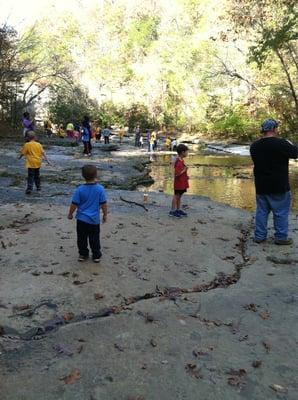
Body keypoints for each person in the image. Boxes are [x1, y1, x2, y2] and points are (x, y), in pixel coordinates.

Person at [250, 118, 298, 245]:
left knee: (261, 211)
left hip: (261, 185)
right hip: (279, 185)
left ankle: (259, 236)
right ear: (275, 129)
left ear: (263, 130)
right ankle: (281, 238)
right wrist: (290, 144)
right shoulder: (281, 143)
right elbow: (295, 153)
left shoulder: (254, 146)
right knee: (281, 212)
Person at [67, 164, 108, 263]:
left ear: (83, 176)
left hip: (81, 219)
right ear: (96, 175)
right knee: (94, 238)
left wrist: (70, 213)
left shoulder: (79, 189)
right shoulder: (100, 189)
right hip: (94, 220)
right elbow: (103, 204)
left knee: (81, 238)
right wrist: (105, 214)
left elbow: (74, 204)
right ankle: (96, 255)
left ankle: (83, 254)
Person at [169, 144, 189, 218]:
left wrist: (186, 176)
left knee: (179, 196)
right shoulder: (178, 162)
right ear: (182, 152)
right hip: (178, 182)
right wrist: (184, 170)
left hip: (182, 182)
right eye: (187, 152)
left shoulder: (181, 160)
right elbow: (176, 174)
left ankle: (178, 209)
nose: (187, 153)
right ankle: (172, 211)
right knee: (176, 196)